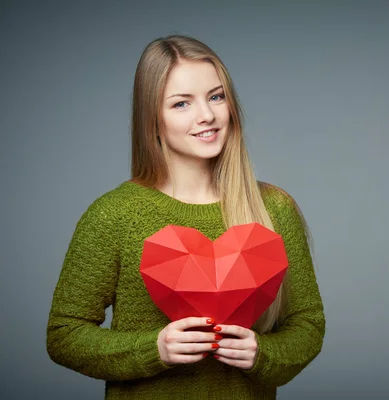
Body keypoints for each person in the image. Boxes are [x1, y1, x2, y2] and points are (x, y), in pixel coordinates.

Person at [46, 34, 325, 399]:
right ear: (153, 118)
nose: (206, 115)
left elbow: (308, 325)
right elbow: (64, 334)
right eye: (181, 104)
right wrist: (154, 350)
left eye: (216, 96)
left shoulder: (273, 209)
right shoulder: (114, 215)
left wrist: (264, 353)